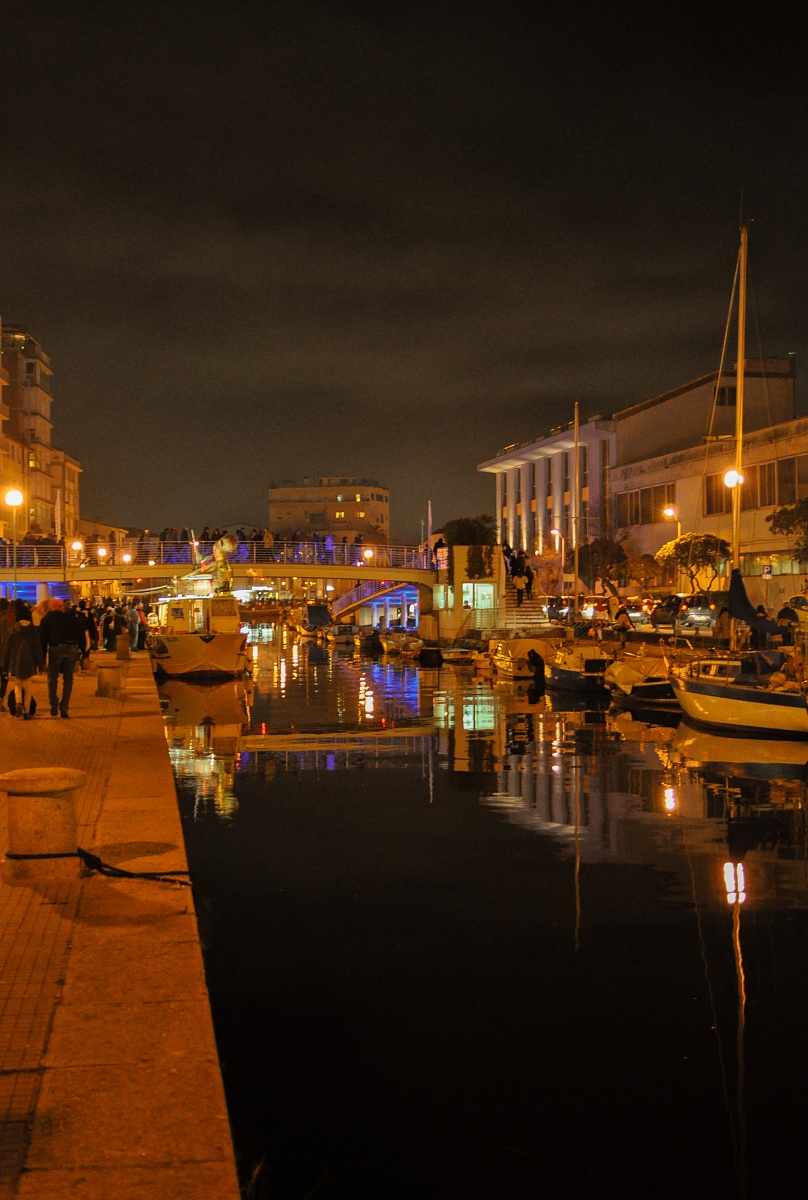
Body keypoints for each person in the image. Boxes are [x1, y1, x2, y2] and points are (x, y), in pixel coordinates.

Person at [39, 597, 81, 717]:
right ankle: (64, 707)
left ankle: (53, 703)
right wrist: (81, 650)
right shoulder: (71, 616)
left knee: (52, 677)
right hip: (72, 647)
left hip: (56, 648)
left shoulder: (47, 619)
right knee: (68, 678)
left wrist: (42, 659)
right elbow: (79, 631)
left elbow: (43, 640)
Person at [4, 599, 44, 718]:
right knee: (27, 685)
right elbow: (37, 648)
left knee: (17, 683)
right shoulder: (33, 630)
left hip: (16, 660)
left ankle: (18, 702)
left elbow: (7, 649)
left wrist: (5, 665)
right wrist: (41, 664)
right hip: (29, 660)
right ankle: (26, 711)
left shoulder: (13, 630)